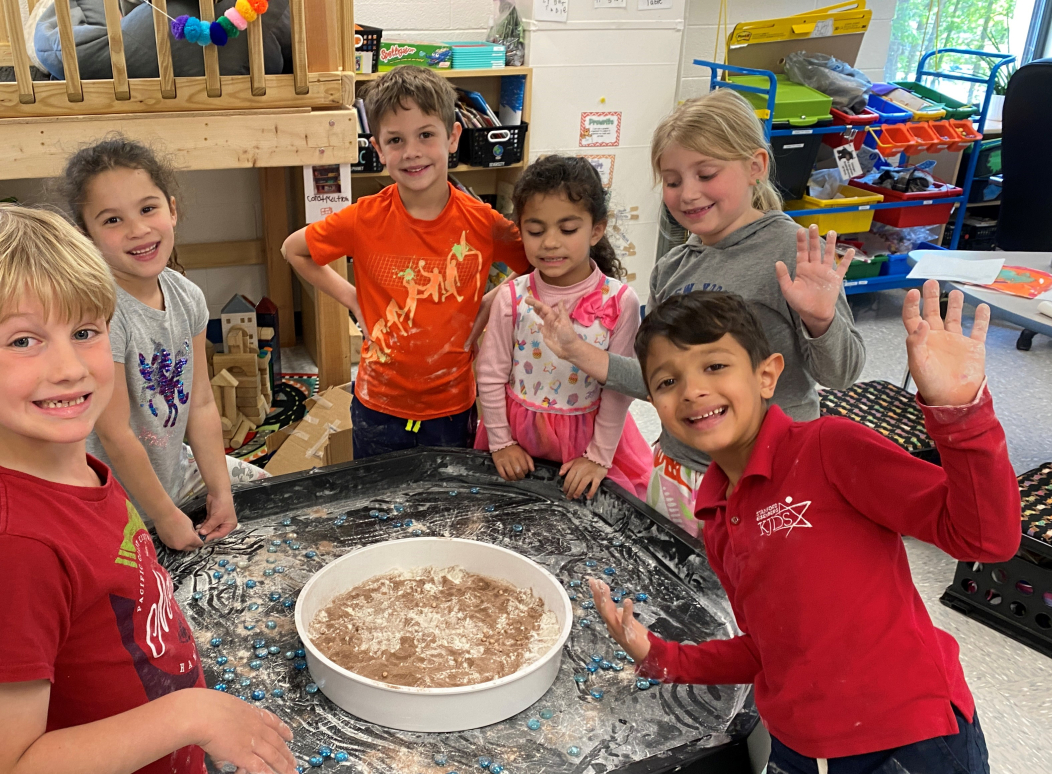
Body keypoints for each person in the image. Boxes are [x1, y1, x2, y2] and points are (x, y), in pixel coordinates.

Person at [0, 204, 297, 774]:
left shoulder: (77, 463)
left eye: (86, 332)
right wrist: (189, 711)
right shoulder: (11, 548)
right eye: (24, 340)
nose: (67, 366)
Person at [591, 285, 1019, 774]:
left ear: (767, 374)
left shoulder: (828, 448)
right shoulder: (716, 511)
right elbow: (771, 648)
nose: (693, 389)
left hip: (914, 747)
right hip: (802, 758)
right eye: (668, 379)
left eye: (714, 365)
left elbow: (984, 537)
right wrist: (663, 657)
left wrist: (959, 413)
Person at [533, 88, 865, 535]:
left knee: (758, 598)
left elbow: (841, 374)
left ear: (755, 167)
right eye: (672, 181)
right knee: (680, 593)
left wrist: (821, 321)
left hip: (771, 476)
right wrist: (575, 349)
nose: (688, 194)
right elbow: (661, 385)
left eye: (706, 174)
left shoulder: (792, 251)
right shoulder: (672, 267)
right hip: (680, 472)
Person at [281, 65, 531, 457]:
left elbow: (535, 267)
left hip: (452, 406)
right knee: (379, 508)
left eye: (426, 135)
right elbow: (293, 249)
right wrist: (352, 298)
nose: (411, 152)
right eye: (395, 140)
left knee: (443, 508)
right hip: (378, 406)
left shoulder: (483, 222)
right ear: (378, 149)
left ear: (453, 137)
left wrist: (491, 302)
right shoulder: (363, 218)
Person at [61, 137, 266, 552]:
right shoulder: (101, 315)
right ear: (86, 234)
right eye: (112, 220)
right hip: (112, 498)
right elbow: (115, 434)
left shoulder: (187, 296)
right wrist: (165, 516)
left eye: (147, 208)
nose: (138, 230)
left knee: (262, 495)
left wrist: (219, 492)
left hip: (173, 471)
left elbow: (202, 404)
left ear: (172, 209)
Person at [473, 155, 652, 499]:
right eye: (535, 231)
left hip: (589, 438)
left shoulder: (620, 301)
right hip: (519, 435)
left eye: (568, 230)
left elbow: (617, 388)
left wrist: (599, 457)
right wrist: (500, 442)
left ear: (596, 229)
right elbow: (491, 374)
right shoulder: (511, 297)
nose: (550, 242)